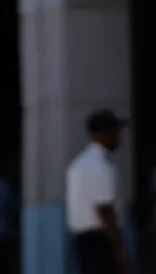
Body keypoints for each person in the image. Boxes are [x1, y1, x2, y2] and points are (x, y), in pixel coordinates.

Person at [67, 109, 130, 274]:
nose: (118, 137)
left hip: (82, 241)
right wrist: (119, 249)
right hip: (101, 240)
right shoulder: (100, 165)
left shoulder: (78, 164)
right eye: (115, 132)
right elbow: (104, 209)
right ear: (102, 134)